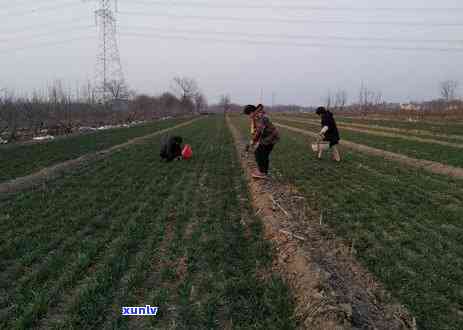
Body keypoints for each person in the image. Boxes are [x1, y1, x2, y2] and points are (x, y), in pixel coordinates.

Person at [243, 104, 280, 179]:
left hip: (270, 138)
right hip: (270, 137)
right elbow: (257, 131)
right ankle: (264, 172)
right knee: (264, 154)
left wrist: (253, 141)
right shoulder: (258, 116)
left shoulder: (259, 117)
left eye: (248, 114)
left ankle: (261, 172)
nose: (249, 116)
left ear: (251, 112)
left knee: (258, 153)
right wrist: (253, 140)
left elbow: (259, 131)